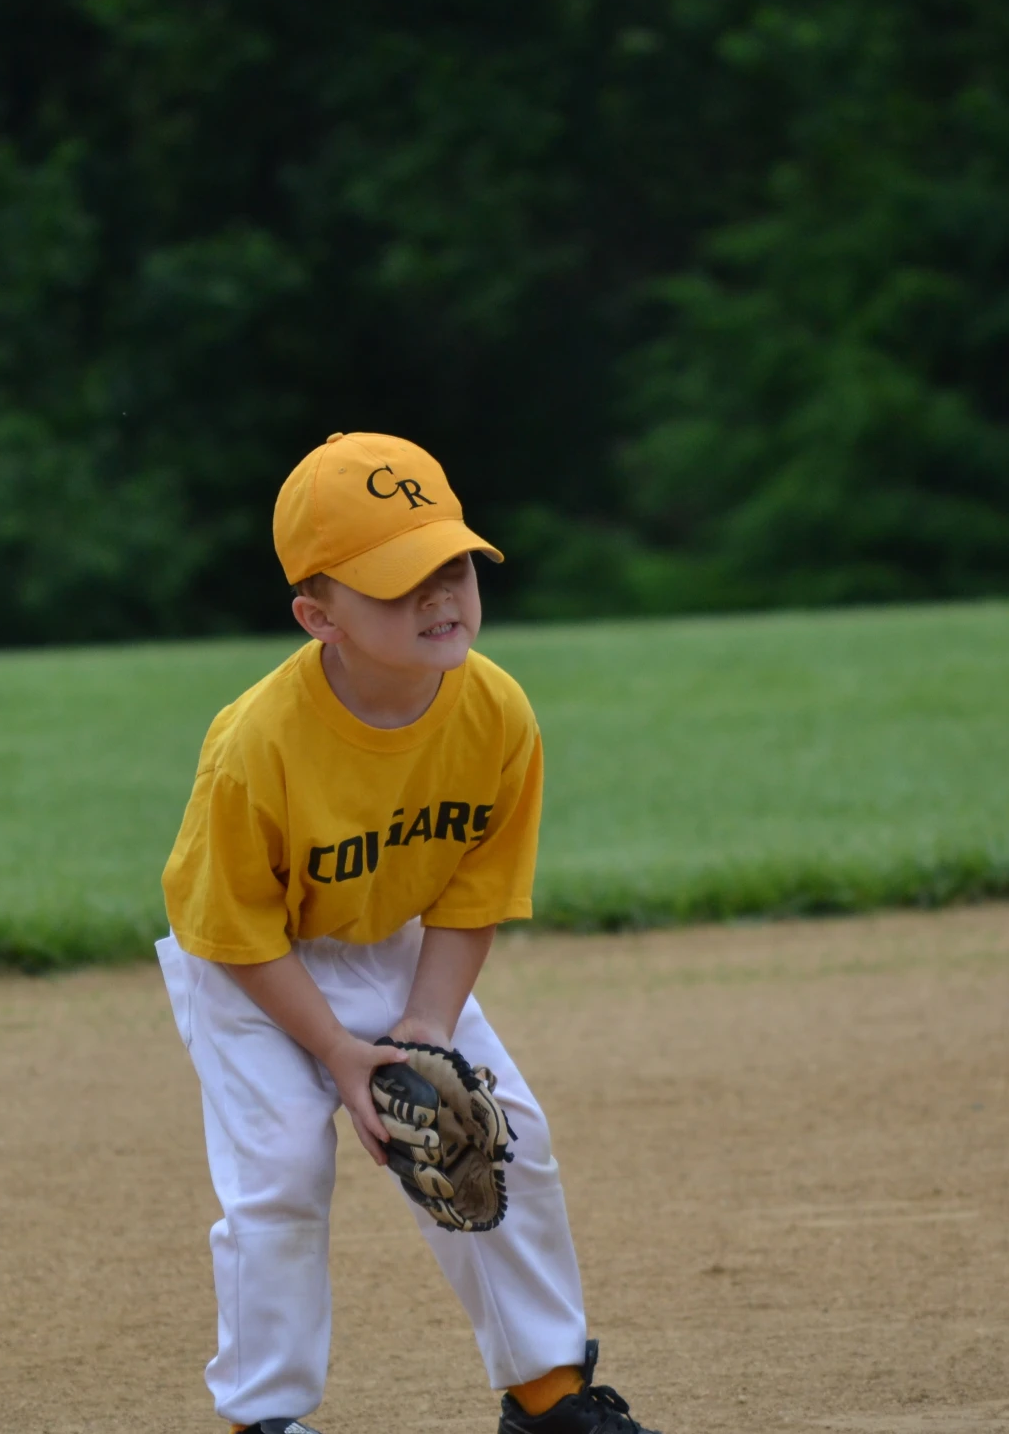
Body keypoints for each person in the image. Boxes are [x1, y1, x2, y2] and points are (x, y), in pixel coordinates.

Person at [154, 431, 665, 1434]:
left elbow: (471, 890)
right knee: (282, 1173)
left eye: (451, 563)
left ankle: (547, 1393)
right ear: (317, 616)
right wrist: (339, 1052)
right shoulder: (257, 744)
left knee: (497, 1135)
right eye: (396, 582)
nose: (439, 595)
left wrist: (428, 1020)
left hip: (394, 948)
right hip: (255, 969)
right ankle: (263, 1419)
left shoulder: (495, 712)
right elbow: (233, 926)